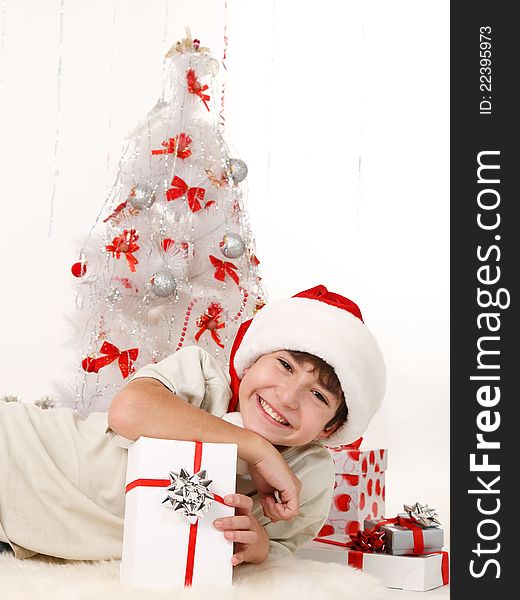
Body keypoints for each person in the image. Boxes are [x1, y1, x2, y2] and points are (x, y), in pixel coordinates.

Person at [0, 284, 385, 566]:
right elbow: (129, 410)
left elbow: (278, 552)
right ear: (249, 363)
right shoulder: (204, 379)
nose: (287, 397)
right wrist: (256, 450)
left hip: (42, 530)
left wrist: (259, 544)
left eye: (318, 396)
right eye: (284, 365)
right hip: (24, 452)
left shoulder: (310, 474)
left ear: (330, 429)